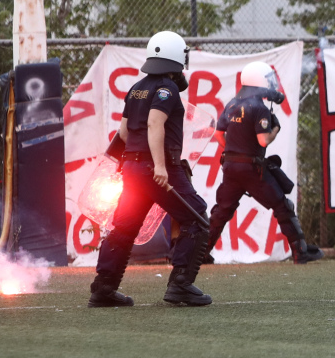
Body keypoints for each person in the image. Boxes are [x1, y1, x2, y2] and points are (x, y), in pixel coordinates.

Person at [89, 31, 212, 308]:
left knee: (123, 228)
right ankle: (181, 284)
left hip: (131, 169)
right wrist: (159, 166)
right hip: (156, 168)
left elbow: (122, 132)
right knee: (197, 218)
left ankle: (103, 288)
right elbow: (155, 123)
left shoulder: (136, 88)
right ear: (176, 57)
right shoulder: (166, 90)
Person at [206, 61, 323, 264]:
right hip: (252, 169)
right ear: (258, 80)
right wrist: (275, 128)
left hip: (231, 167)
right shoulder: (259, 107)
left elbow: (217, 133)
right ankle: (300, 252)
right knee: (282, 206)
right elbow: (263, 140)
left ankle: (199, 254)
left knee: (220, 212)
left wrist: (233, 152)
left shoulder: (233, 103)